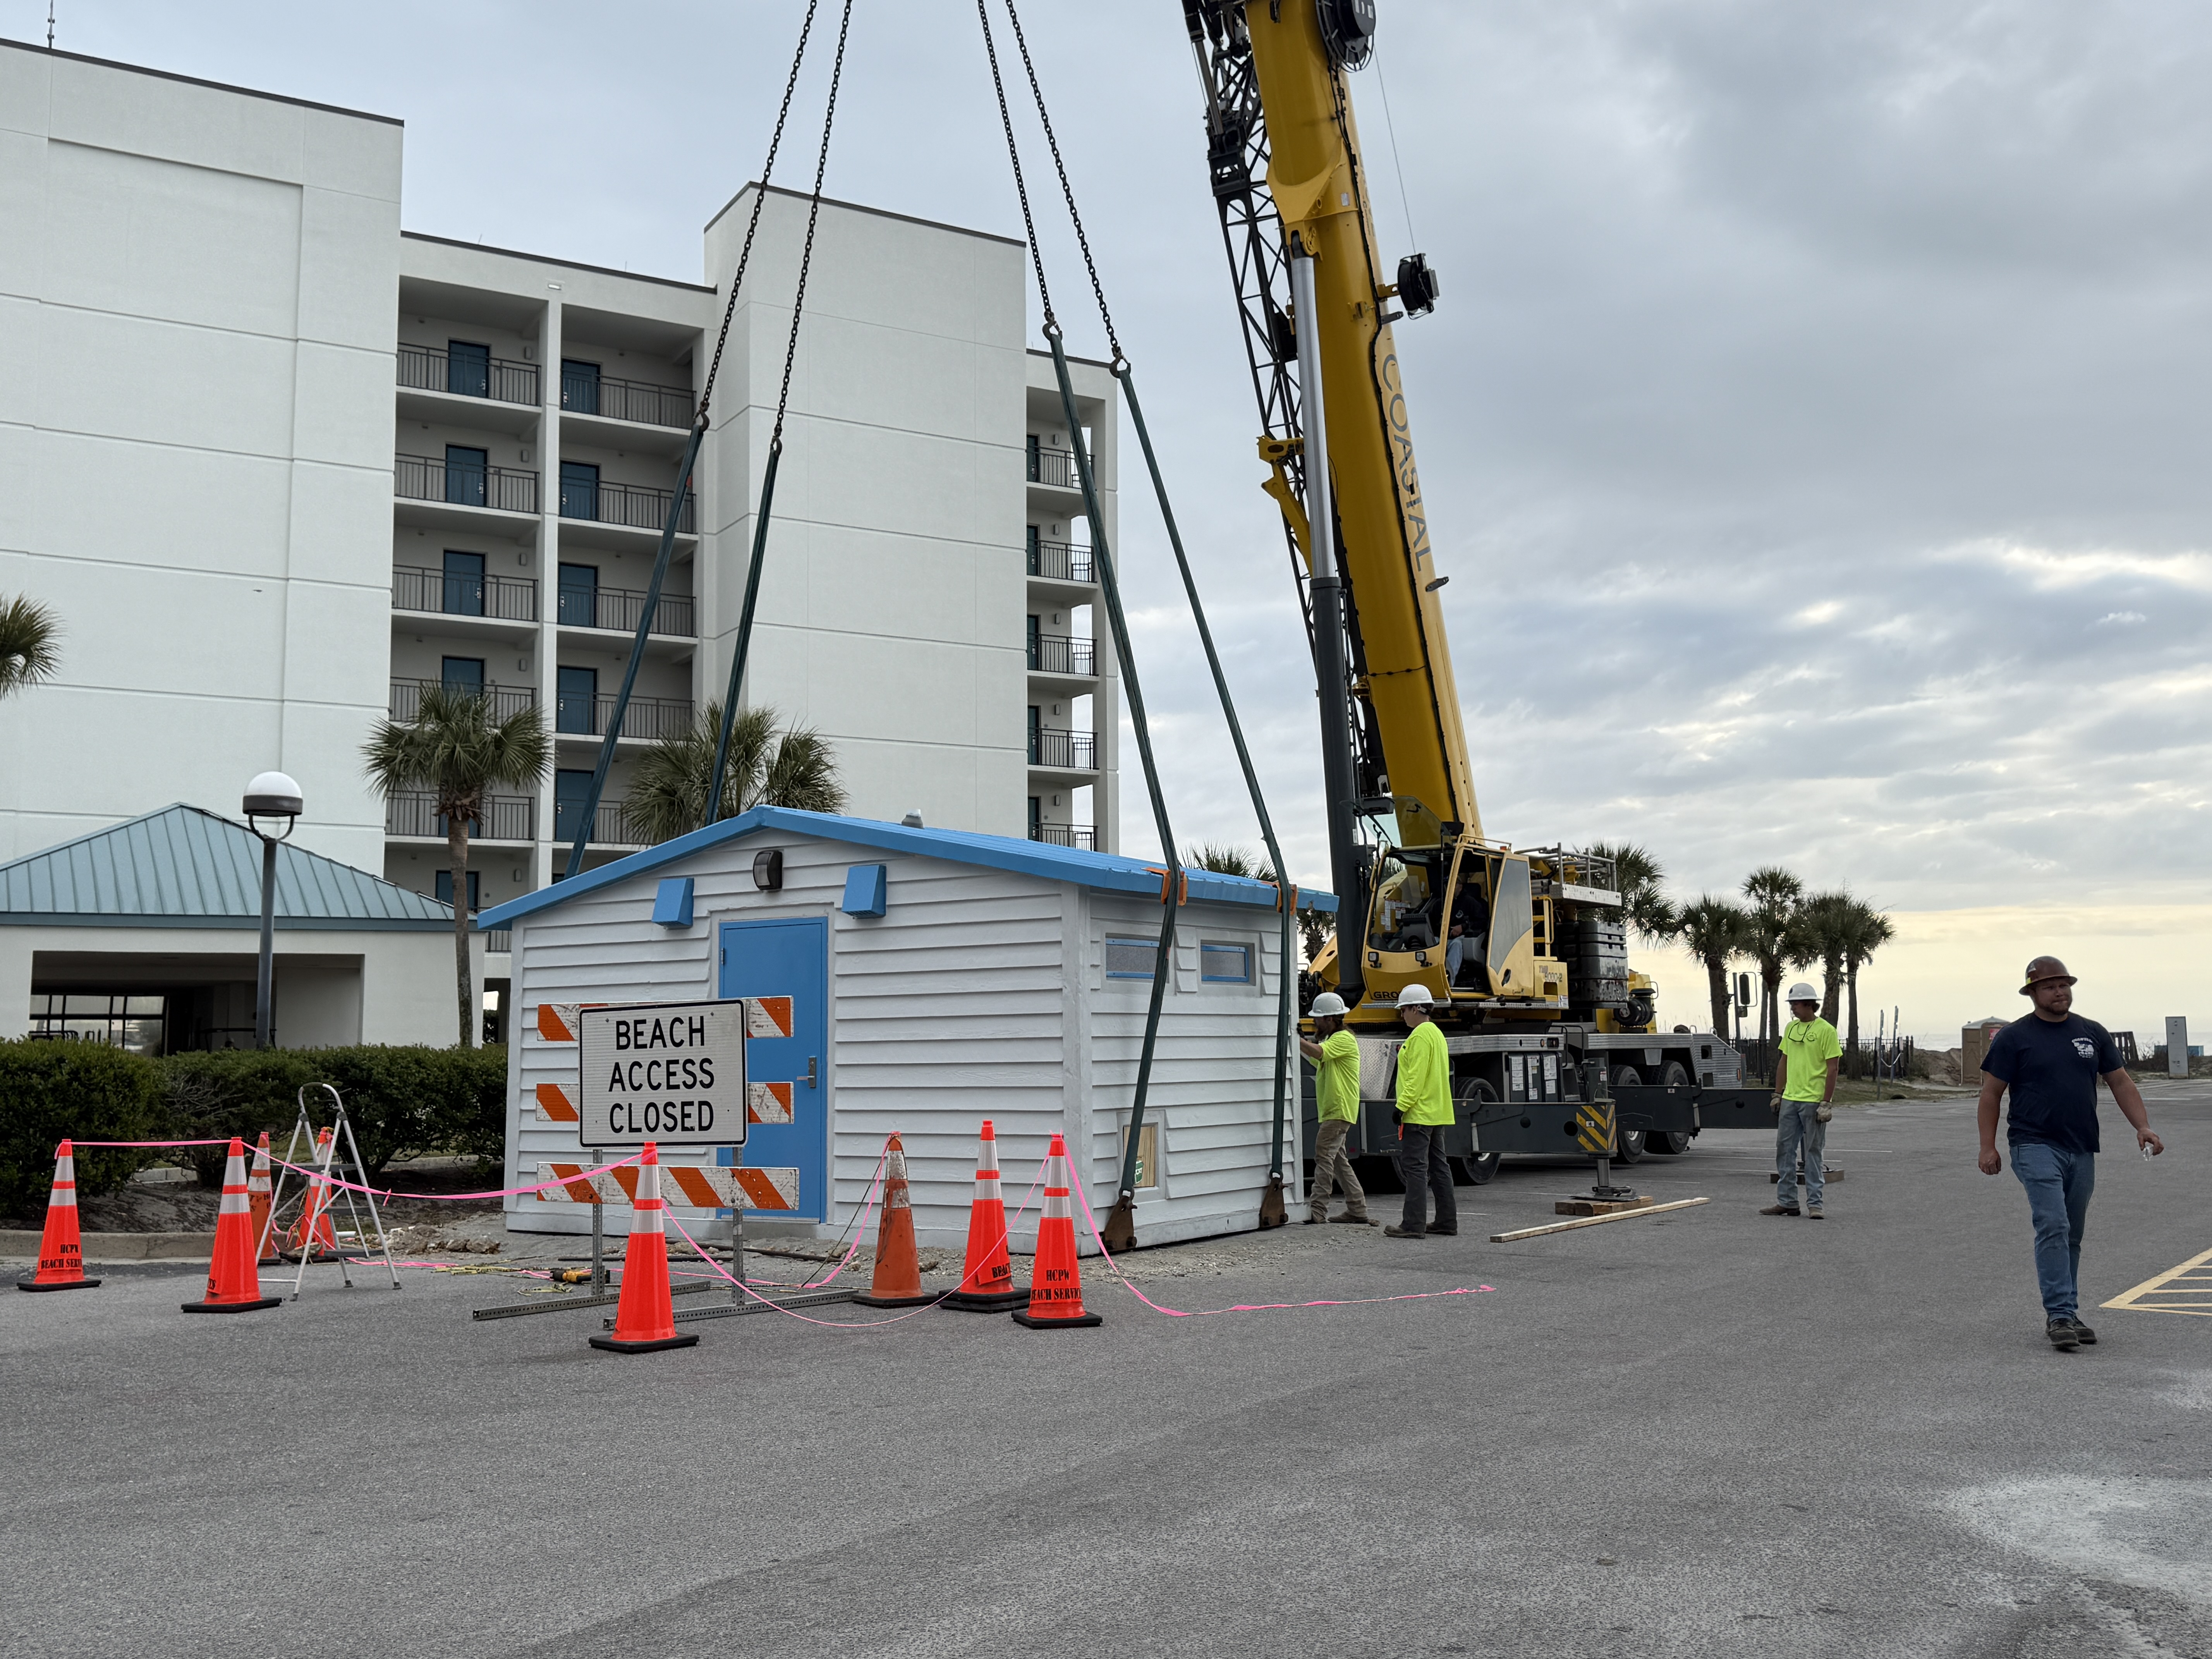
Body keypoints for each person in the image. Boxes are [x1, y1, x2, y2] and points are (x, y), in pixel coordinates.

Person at [1978, 956, 2163, 1353]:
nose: (2059, 992)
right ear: (2033, 993)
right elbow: (1991, 1094)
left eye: (2064, 985)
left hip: (2081, 1148)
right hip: (2033, 1144)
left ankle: (2069, 1310)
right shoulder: (2014, 1037)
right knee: (2054, 1225)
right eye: (2049, 986)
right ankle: (2059, 1314)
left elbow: (2120, 1082)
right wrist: (1988, 1146)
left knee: (2072, 1234)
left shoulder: (2091, 1033)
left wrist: (2143, 1126)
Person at [1760, 981, 1840, 1219]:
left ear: (1809, 1004)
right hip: (1791, 1099)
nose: (1793, 1008)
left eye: (1796, 1004)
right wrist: (1778, 1093)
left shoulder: (1826, 1031)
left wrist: (1826, 1101)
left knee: (1813, 1152)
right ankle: (1787, 1202)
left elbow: (1833, 1067)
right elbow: (1784, 1061)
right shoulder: (1791, 1029)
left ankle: (1815, 1204)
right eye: (1792, 1004)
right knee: (1784, 1150)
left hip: (1813, 1101)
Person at [1384, 986, 1457, 1238]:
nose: (1402, 1014)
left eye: (1404, 1009)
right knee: (1439, 1167)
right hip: (1437, 1112)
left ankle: (1413, 1225)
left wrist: (1401, 1107)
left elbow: (1415, 1078)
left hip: (1419, 1113)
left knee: (1415, 1169)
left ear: (1417, 1008)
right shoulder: (1436, 1034)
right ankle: (1447, 1221)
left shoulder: (1419, 1037)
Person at [1297, 993, 1373, 1226]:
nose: (1315, 1023)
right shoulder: (1334, 1040)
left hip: (1338, 1110)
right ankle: (1357, 1210)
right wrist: (1302, 1042)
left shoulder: (1343, 1039)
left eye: (1318, 1019)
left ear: (1330, 1019)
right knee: (1339, 1162)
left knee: (1323, 1156)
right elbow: (1317, 1059)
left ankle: (1318, 1211)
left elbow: (1319, 1053)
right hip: (1337, 1110)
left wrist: (1294, 1037)